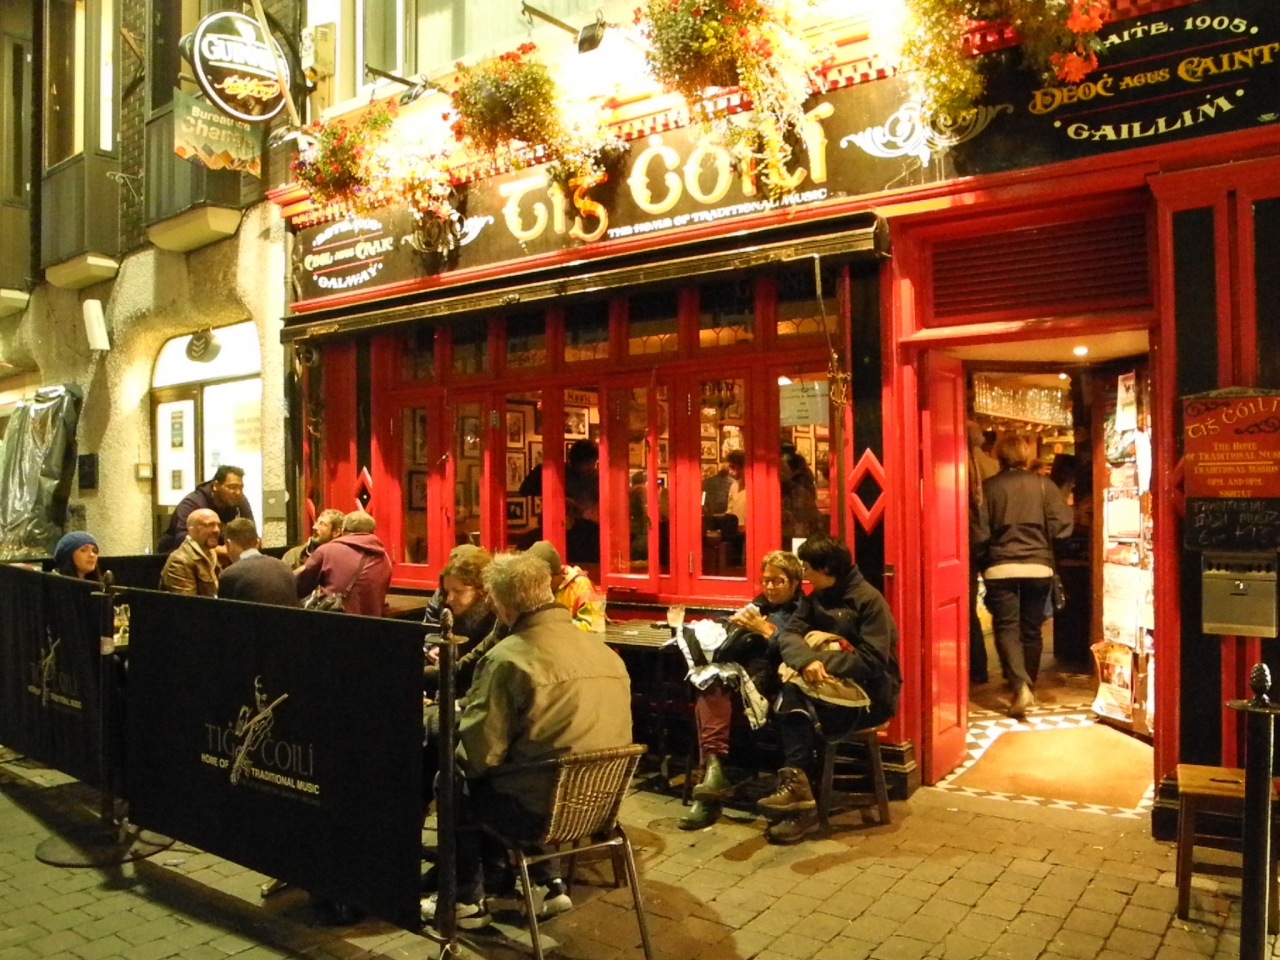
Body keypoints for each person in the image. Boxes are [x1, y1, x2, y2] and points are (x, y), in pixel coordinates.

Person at [420, 552, 632, 930]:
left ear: (502, 605)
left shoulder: (508, 660)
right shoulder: (605, 654)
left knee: (452, 779)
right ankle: (547, 883)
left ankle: (466, 900)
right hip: (599, 805)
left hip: (538, 811)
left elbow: (479, 756)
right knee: (535, 760)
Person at [757, 534, 901, 844]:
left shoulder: (869, 601)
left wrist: (820, 662)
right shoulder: (816, 598)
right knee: (792, 698)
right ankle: (801, 797)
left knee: (793, 706)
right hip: (824, 689)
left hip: (870, 696)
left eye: (807, 567)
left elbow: (872, 661)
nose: (804, 574)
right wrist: (807, 661)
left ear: (826, 568)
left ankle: (801, 801)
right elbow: (789, 636)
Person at [680, 550, 804, 831]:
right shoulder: (757, 605)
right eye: (766, 580)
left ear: (795, 582)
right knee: (707, 682)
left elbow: (795, 652)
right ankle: (713, 775)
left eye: (778, 581)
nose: (770, 587)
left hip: (772, 684)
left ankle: (710, 787)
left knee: (709, 691)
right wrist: (728, 624)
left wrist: (764, 630)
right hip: (738, 677)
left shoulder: (802, 612)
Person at [972, 435, 1074, 719]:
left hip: (1000, 566)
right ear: (1026, 455)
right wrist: (1047, 547)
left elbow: (979, 533)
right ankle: (1028, 682)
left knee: (1007, 627)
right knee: (1032, 628)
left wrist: (982, 559)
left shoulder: (989, 488)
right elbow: (1062, 525)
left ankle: (1019, 686)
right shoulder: (1044, 485)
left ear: (998, 455)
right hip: (1039, 566)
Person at [294, 510, 392, 617]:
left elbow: (300, 584)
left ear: (342, 531)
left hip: (337, 620)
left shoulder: (327, 550)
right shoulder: (384, 556)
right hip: (372, 622)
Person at [158, 465, 253, 554]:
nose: (238, 492)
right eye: (232, 487)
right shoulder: (192, 503)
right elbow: (183, 540)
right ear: (216, 485)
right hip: (181, 557)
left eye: (241, 488)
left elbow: (251, 532)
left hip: (221, 557)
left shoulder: (238, 500)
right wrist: (224, 551)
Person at [218, 518, 300, 607]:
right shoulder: (285, 568)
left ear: (228, 544)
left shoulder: (229, 575)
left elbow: (223, 613)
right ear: (258, 542)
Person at [160, 508, 221, 596]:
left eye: (219, 525)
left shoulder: (212, 555)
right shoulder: (179, 561)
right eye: (210, 525)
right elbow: (188, 603)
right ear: (192, 530)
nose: (217, 530)